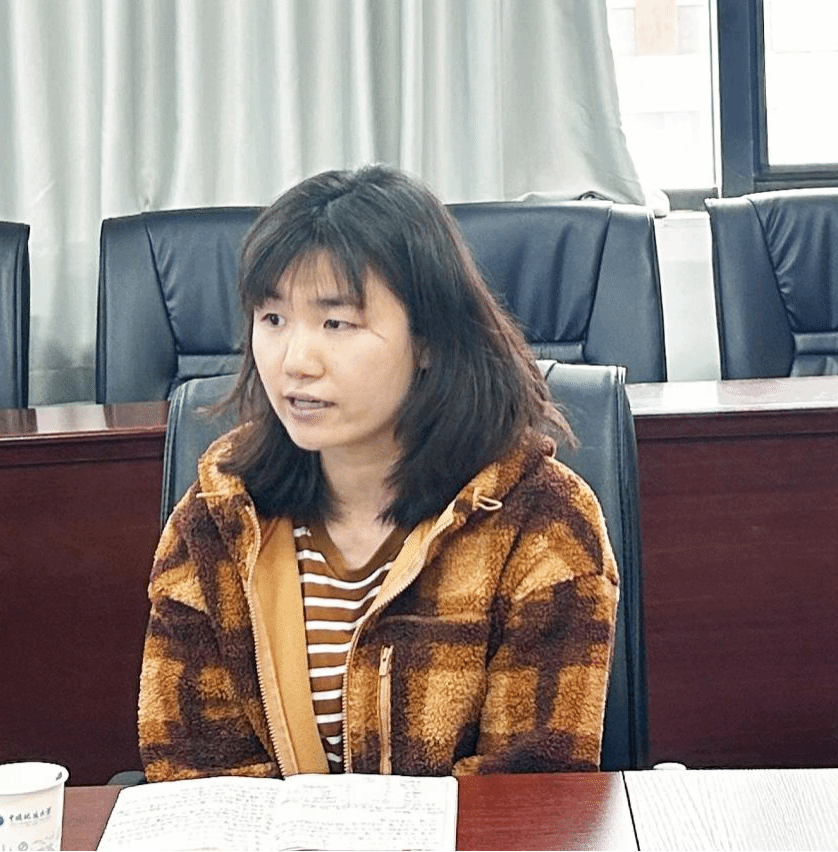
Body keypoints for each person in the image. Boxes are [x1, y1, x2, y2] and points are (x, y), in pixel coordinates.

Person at [138, 164, 619, 782]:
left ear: (429, 340)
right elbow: (191, 779)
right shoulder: (217, 520)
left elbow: (529, 793)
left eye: (336, 323)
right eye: (272, 318)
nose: (295, 362)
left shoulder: (543, 522)